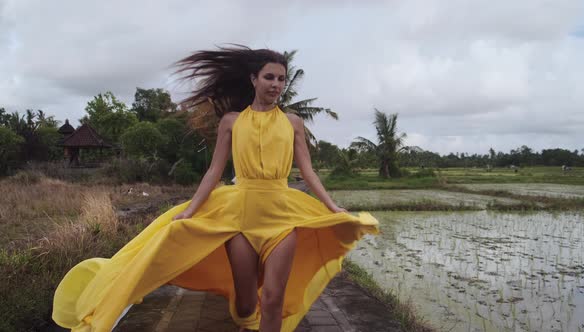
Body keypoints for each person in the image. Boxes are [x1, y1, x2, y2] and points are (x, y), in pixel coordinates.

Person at [52, 45, 379, 332]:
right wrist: (190, 211)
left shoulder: (293, 122)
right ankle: (246, 321)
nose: (276, 84)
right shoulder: (232, 122)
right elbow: (213, 171)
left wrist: (332, 207)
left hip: (283, 218)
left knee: (275, 299)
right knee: (248, 302)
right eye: (269, 77)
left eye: (281, 79)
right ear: (254, 79)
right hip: (238, 220)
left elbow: (307, 171)